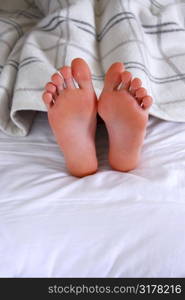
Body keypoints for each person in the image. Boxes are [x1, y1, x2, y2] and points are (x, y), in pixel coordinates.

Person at [42, 58, 153, 177]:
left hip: (83, 102)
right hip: (119, 103)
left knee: (60, 96)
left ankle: (80, 155)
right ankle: (125, 155)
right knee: (132, 94)